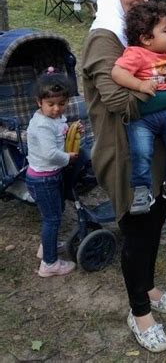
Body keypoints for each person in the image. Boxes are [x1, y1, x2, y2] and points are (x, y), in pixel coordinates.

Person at [82, 0, 166, 353]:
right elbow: (117, 100)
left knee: (155, 219)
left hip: (149, 147)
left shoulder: (136, 40)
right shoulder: (104, 39)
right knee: (137, 230)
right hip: (121, 151)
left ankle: (150, 287)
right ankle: (139, 311)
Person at [111, 0, 166, 214]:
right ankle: (141, 190)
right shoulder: (136, 54)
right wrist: (140, 84)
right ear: (146, 39)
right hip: (143, 117)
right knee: (141, 151)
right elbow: (117, 73)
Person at [26, 70, 78, 278]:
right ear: (39, 102)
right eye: (51, 104)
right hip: (43, 178)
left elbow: (60, 129)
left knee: (54, 214)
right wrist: (68, 157)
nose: (57, 109)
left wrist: (72, 130)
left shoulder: (53, 118)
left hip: (50, 176)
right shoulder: (41, 124)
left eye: (62, 104)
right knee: (52, 219)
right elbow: (50, 153)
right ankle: (49, 264)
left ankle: (45, 248)